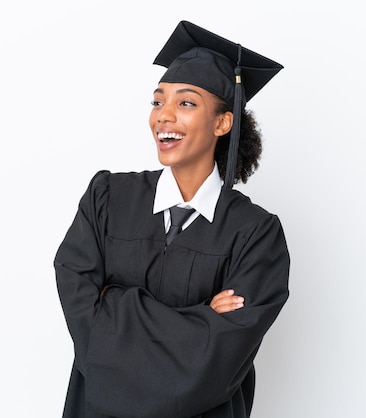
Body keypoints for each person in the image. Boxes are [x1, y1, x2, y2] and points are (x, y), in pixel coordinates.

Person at [54, 20, 290, 418]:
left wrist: (112, 303)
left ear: (222, 122)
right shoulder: (108, 198)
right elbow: (84, 330)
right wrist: (200, 321)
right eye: (157, 101)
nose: (163, 116)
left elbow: (216, 365)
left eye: (185, 103)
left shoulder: (256, 234)